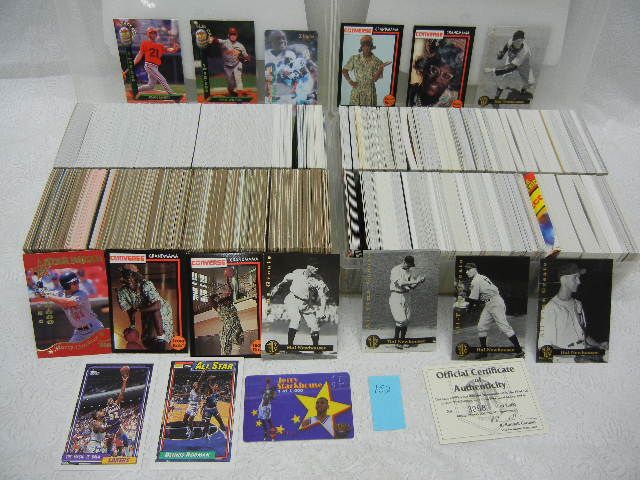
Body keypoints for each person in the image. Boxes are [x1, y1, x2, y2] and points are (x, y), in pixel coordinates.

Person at [538, 263, 608, 361]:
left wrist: (598, 345)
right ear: (563, 280)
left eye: (579, 278)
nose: (579, 282)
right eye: (575, 278)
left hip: (583, 356)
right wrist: (576, 356)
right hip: (565, 362)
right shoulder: (551, 308)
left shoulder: (578, 304)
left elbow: (583, 335)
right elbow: (544, 348)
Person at [464, 262, 524, 359]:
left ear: (474, 269)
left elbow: (473, 299)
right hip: (490, 303)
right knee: (481, 326)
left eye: (468, 269)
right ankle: (484, 351)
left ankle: (519, 351)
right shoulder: (482, 277)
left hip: (495, 303)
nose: (467, 272)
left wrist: (469, 308)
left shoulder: (476, 280)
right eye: (466, 270)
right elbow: (480, 296)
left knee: (504, 327)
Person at [269, 264, 330, 352]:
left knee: (314, 325)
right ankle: (290, 347)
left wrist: (322, 311)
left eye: (318, 266)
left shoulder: (319, 279)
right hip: (292, 299)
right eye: (314, 266)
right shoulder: (297, 272)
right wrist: (277, 287)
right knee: (296, 318)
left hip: (306, 303)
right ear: (308, 266)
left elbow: (323, 296)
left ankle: (316, 348)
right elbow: (285, 279)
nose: (317, 268)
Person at [34, 271, 105, 343]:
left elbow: (68, 303)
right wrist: (40, 290)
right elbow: (39, 294)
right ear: (66, 285)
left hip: (94, 329)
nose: (77, 284)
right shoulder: (60, 294)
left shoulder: (82, 294)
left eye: (77, 281)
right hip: (79, 333)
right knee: (68, 349)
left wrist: (46, 295)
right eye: (74, 283)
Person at [116, 264, 174, 352]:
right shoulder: (122, 291)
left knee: (162, 342)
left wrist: (139, 310)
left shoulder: (146, 285)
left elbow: (157, 305)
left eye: (131, 276)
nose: (129, 279)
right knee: (147, 341)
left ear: (136, 276)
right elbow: (130, 310)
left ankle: (161, 338)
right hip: (146, 311)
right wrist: (132, 325)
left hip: (161, 311)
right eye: (126, 276)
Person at [127, 26, 181, 100]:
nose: (153, 34)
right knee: (162, 79)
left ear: (156, 34)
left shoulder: (160, 46)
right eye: (151, 33)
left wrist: (175, 49)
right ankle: (172, 95)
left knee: (150, 86)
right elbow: (139, 55)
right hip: (149, 65)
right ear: (148, 34)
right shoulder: (145, 43)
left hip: (155, 67)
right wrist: (132, 64)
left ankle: (134, 90)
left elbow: (169, 50)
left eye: (154, 33)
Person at [407, 39, 464, 107]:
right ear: (425, 68)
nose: (437, 79)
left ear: (452, 82)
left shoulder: (453, 105)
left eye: (446, 76)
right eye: (434, 70)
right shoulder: (407, 92)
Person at [484, 30, 534, 101]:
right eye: (515, 41)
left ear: (523, 40)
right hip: (511, 60)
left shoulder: (524, 51)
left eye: (518, 41)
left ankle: (523, 91)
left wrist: (492, 70)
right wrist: (501, 54)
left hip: (523, 64)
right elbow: (505, 48)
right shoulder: (511, 41)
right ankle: (496, 98)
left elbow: (510, 68)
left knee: (530, 82)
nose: (515, 43)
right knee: (505, 80)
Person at [341, 35, 392, 105]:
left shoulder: (377, 62)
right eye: (364, 45)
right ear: (361, 47)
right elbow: (344, 70)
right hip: (357, 92)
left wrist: (381, 68)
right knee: (355, 111)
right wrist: (350, 81)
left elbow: (374, 80)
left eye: (368, 45)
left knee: (370, 111)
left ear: (371, 46)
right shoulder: (355, 58)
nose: (366, 47)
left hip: (370, 92)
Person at [388, 256, 425, 349]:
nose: (409, 267)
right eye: (408, 265)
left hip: (406, 296)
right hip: (396, 295)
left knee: (406, 320)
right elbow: (400, 283)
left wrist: (419, 282)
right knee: (401, 320)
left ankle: (402, 341)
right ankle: (397, 341)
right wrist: (415, 281)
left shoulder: (409, 271)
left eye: (410, 266)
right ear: (404, 262)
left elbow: (412, 287)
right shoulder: (395, 270)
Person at [207, 266, 244, 355]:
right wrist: (218, 294)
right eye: (225, 300)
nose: (227, 301)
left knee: (237, 349)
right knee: (225, 351)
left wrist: (227, 280)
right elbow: (210, 299)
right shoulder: (219, 306)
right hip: (227, 330)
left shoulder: (230, 303)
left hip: (237, 328)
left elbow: (231, 291)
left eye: (228, 299)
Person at [206, 26, 250, 97]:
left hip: (237, 64)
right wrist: (211, 39)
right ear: (228, 35)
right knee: (231, 82)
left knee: (238, 78)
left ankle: (240, 95)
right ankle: (230, 90)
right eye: (231, 34)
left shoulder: (240, 46)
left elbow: (246, 56)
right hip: (227, 66)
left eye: (234, 34)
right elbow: (217, 40)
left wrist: (247, 59)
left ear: (237, 35)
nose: (233, 36)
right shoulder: (225, 42)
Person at [103, 368, 130, 456]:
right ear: (107, 403)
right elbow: (101, 418)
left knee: (125, 438)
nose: (111, 399)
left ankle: (128, 453)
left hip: (117, 425)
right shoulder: (105, 409)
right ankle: (107, 455)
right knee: (109, 443)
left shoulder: (116, 403)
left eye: (112, 399)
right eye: (109, 399)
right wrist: (105, 426)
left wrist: (124, 382)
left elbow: (122, 392)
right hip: (110, 427)